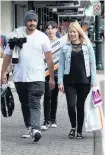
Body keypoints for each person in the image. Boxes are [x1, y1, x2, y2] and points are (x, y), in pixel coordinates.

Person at [1, 10, 55, 142]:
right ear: (25, 21)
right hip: (20, 77)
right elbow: (7, 56)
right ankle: (29, 126)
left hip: (37, 77)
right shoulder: (16, 36)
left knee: (35, 102)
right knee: (25, 104)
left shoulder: (42, 37)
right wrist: (3, 73)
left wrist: (52, 77)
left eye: (34, 20)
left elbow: (49, 59)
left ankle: (36, 129)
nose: (32, 23)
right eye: (30, 20)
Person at [58, 21, 97, 139]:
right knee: (71, 105)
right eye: (70, 32)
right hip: (69, 81)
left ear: (79, 32)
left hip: (84, 81)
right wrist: (60, 81)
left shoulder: (87, 46)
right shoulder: (64, 48)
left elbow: (93, 64)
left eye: (74, 32)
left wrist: (93, 82)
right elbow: (61, 65)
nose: (72, 34)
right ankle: (73, 127)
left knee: (80, 106)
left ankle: (79, 130)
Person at [41, 21, 60, 130]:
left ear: (56, 29)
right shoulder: (43, 42)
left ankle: (53, 118)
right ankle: (46, 119)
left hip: (57, 73)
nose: (50, 30)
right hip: (45, 73)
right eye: (48, 28)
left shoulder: (60, 42)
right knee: (47, 95)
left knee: (54, 96)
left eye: (52, 28)